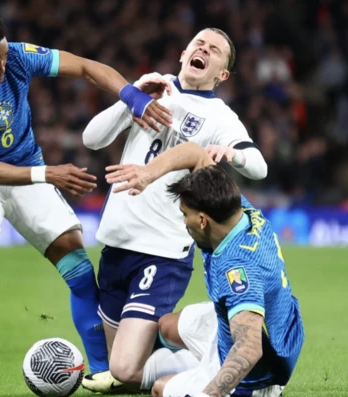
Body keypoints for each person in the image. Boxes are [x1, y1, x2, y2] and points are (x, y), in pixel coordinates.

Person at [0, 5, 172, 397]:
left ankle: (103, 373)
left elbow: (88, 67)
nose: (2, 69)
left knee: (78, 268)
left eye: (3, 57)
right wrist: (49, 173)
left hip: (27, 169)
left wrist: (130, 95)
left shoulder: (17, 56)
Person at [81, 28, 267, 393]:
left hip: (164, 251)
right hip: (118, 242)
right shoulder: (153, 89)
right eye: (199, 44)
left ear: (222, 75)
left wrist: (235, 154)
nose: (204, 49)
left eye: (214, 51)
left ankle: (218, 363)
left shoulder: (219, 116)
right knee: (120, 362)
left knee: (123, 369)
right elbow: (92, 138)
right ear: (183, 54)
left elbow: (259, 166)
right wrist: (130, 97)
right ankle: (188, 342)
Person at [105, 142, 305, 397]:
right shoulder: (238, 210)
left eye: (184, 213)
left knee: (160, 389)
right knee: (166, 325)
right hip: (264, 329)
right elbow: (195, 153)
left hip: (259, 373)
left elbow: (248, 350)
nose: (183, 220)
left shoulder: (238, 272)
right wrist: (148, 173)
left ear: (202, 220)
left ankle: (204, 378)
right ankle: (195, 366)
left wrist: (208, 394)